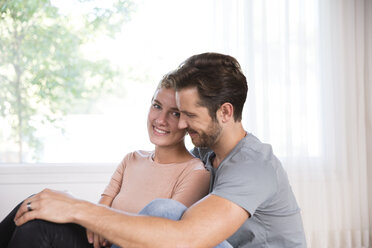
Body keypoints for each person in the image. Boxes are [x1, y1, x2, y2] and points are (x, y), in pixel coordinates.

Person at [11, 52, 307, 247]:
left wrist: (78, 208)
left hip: (189, 240)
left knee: (164, 211)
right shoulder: (207, 153)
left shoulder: (254, 165)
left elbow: (188, 237)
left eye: (188, 115)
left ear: (225, 112)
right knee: (36, 208)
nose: (182, 124)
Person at [0, 76, 210, 247]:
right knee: (37, 202)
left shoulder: (195, 173)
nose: (160, 119)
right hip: (100, 242)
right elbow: (98, 214)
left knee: (39, 227)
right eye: (156, 106)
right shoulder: (132, 159)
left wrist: (102, 224)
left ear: (186, 121)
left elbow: (166, 234)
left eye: (174, 113)